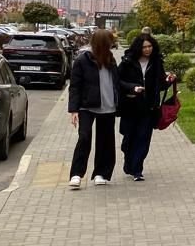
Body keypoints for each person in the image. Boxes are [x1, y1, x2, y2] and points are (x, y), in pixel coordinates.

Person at [67, 30, 121, 189]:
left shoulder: (111, 60)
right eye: (108, 43)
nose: (111, 46)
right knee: (84, 138)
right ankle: (76, 174)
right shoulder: (82, 60)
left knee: (105, 141)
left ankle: (101, 173)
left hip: (108, 106)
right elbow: (74, 86)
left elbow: (116, 82)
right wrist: (73, 110)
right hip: (87, 106)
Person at [117, 33, 168, 182]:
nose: (147, 49)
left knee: (143, 138)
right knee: (129, 137)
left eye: (150, 46)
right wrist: (132, 88)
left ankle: (137, 169)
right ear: (138, 48)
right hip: (131, 106)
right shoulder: (128, 61)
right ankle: (129, 161)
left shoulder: (156, 62)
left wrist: (169, 80)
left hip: (149, 107)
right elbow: (117, 81)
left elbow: (161, 84)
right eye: (144, 47)